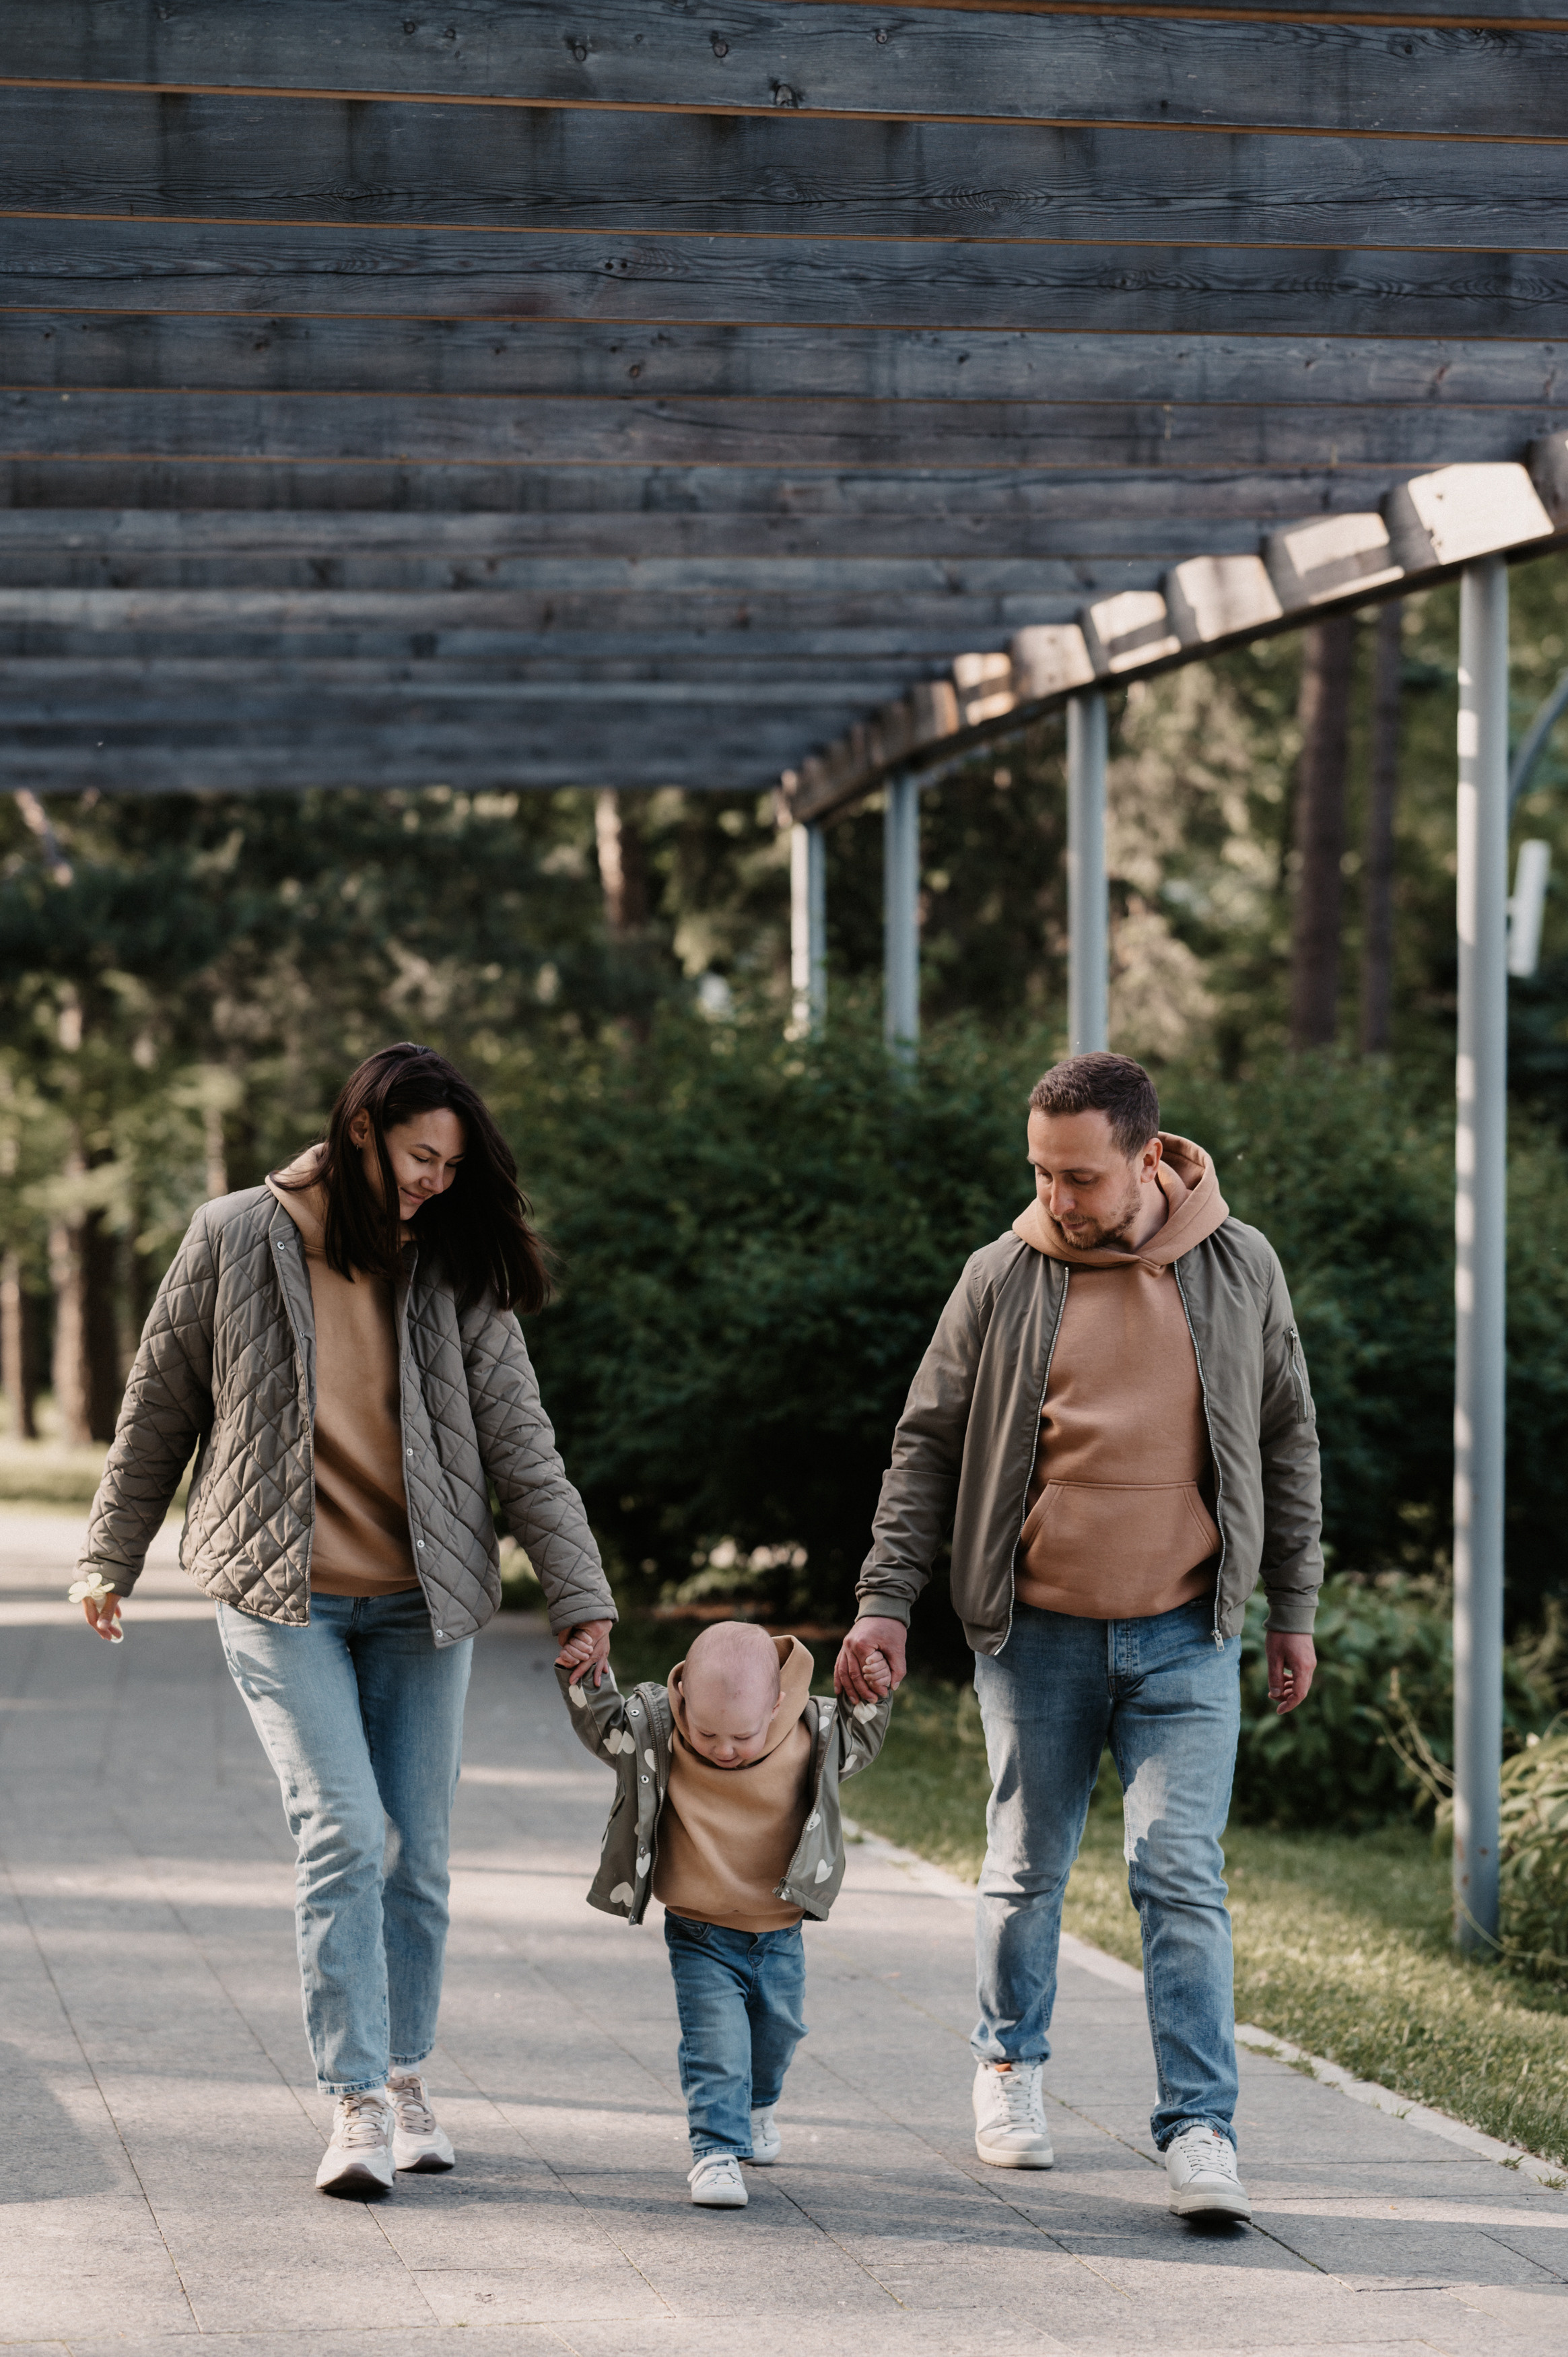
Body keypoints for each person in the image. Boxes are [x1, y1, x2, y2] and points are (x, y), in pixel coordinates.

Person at [73, 1042, 615, 2199]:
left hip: (426, 1601)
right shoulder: (235, 1236)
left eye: (451, 1166)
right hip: (283, 1595)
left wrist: (580, 1596)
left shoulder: (452, 1267)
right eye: (422, 1156)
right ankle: (354, 2100)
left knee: (416, 1854)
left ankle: (405, 2072)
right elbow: (159, 1402)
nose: (435, 1180)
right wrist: (106, 1555)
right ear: (363, 1131)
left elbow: (522, 1440)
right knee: (342, 1830)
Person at [834, 1051, 1321, 2224]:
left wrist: (1292, 1606)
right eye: (1040, 1173)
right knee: (1021, 1869)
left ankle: (1199, 2129)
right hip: (1035, 1630)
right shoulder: (1000, 1277)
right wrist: (884, 1600)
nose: (1056, 1198)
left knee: (1177, 1877)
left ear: (1148, 1158)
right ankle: (1007, 2067)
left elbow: (1287, 1434)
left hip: (1184, 1633)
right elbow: (926, 1447)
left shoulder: (1236, 1264)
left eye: (1079, 1177)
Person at [559, 1620, 892, 2207]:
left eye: (740, 1735)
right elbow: (608, 1730)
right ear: (682, 1695)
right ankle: (714, 2152)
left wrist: (872, 1690)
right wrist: (585, 1675)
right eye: (707, 1730)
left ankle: (757, 2109)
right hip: (699, 1928)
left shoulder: (810, 1732)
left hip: (779, 1930)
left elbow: (858, 1743)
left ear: (775, 1705)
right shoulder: (660, 1730)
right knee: (717, 2044)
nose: (722, 1749)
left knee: (777, 2033)